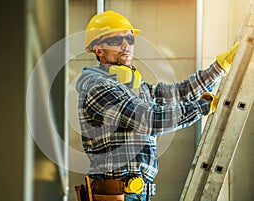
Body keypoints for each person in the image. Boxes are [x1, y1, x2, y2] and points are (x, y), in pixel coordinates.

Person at [75, 10, 239, 201]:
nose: (126, 45)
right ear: (98, 49)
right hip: (115, 196)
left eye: (130, 39)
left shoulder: (134, 88)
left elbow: (178, 94)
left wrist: (220, 66)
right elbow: (149, 120)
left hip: (136, 194)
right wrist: (203, 106)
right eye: (116, 41)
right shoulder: (97, 87)